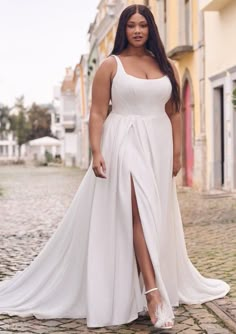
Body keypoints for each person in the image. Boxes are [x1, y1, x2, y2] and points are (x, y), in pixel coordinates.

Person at [0, 4, 230, 330]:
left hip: (158, 145)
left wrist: (178, 153)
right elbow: (96, 112)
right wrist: (96, 151)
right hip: (123, 141)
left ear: (151, 29)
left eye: (143, 25)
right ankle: (152, 293)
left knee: (155, 214)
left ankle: (140, 286)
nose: (137, 31)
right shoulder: (110, 65)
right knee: (137, 211)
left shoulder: (166, 66)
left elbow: (175, 111)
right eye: (132, 25)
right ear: (123, 29)